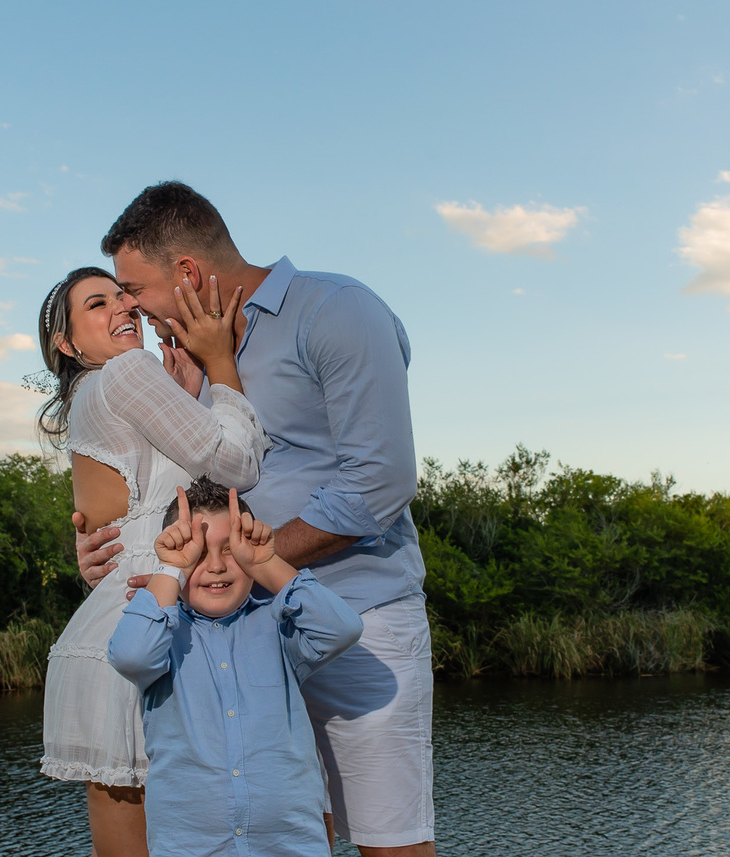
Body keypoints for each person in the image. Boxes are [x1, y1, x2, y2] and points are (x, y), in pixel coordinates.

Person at [81, 181, 436, 856]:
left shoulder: (337, 311)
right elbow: (173, 490)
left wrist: (255, 558)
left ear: (187, 273)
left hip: (359, 612)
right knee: (285, 831)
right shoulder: (182, 359)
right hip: (229, 638)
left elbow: (379, 482)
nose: (129, 305)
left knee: (390, 840)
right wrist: (102, 550)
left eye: (135, 287)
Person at [35, 265, 270, 857]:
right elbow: (237, 467)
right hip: (153, 612)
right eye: (97, 304)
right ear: (67, 343)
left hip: (117, 610)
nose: (122, 308)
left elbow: (118, 513)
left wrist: (184, 396)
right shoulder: (127, 371)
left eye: (122, 296)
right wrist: (221, 366)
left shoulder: (86, 398)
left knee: (123, 833)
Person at [108, 478, 363, 857]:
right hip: (191, 847)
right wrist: (170, 569)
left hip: (290, 845)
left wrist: (267, 563)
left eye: (231, 550)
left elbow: (342, 628)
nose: (214, 566)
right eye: (195, 554)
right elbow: (130, 654)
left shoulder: (277, 625)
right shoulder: (165, 635)